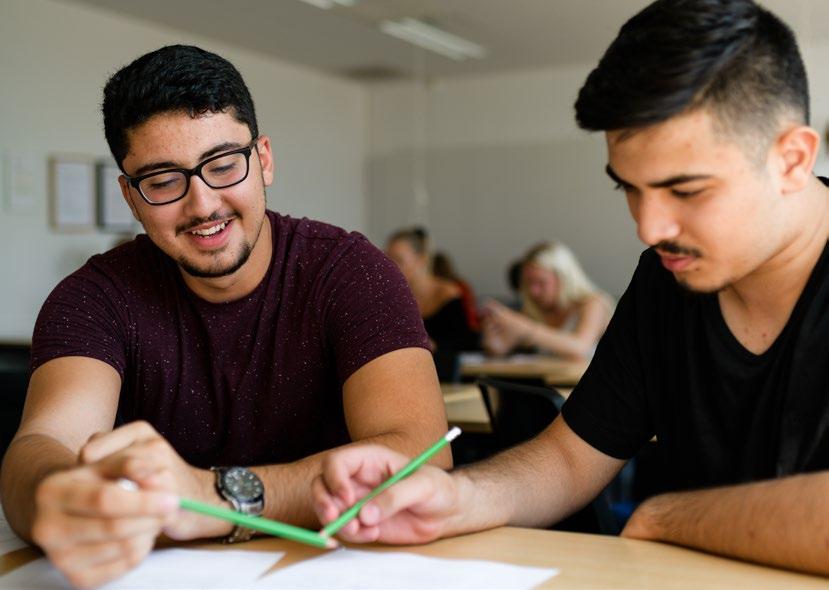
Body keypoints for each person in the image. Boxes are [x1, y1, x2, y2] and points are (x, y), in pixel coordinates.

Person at [313, 0, 829, 576]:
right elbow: (570, 456)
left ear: (792, 160)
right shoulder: (666, 279)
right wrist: (458, 498)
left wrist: (667, 518)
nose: (649, 228)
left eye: (687, 191)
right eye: (629, 190)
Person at [0, 45, 450, 589]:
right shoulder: (94, 297)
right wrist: (54, 496)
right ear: (130, 196)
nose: (203, 204)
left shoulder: (352, 272)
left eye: (222, 166)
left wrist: (210, 499)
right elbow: (43, 444)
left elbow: (421, 460)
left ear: (263, 159)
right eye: (164, 181)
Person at [481, 242, 613, 359]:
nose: (533, 291)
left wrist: (525, 328)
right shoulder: (535, 308)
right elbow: (502, 347)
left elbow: (580, 348)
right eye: (528, 283)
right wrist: (493, 340)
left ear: (564, 278)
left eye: (541, 282)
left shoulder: (594, 303)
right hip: (550, 383)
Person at [386, 228, 479, 352]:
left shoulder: (448, 293)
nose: (391, 266)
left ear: (421, 259)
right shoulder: (391, 298)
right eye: (387, 260)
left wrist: (434, 345)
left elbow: (468, 340)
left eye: (399, 260)